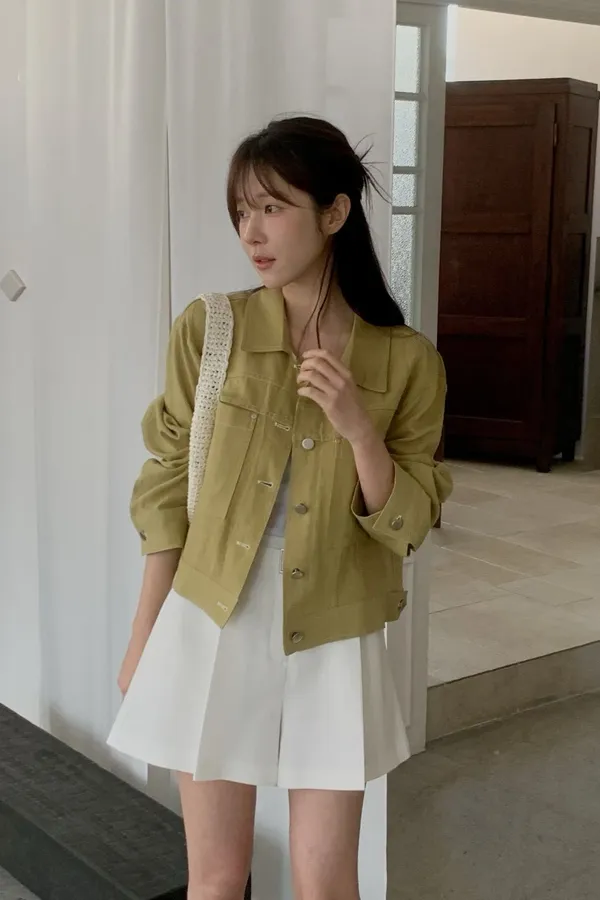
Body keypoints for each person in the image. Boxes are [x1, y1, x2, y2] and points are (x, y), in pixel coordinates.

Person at [108, 115, 452, 900]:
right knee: (217, 878)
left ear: (334, 213)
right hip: (211, 624)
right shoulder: (212, 329)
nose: (251, 232)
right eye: (242, 211)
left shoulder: (406, 360)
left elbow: (411, 523)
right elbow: (167, 480)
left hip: (335, 636)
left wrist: (359, 430)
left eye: (272, 207)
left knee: (325, 881)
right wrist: (144, 634)